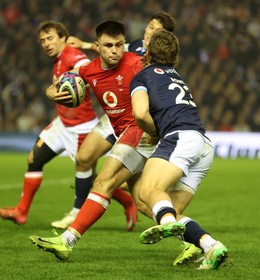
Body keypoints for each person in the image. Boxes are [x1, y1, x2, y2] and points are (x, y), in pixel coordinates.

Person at [28, 20, 187, 263]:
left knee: (103, 182)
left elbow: (164, 84)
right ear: (97, 46)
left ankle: (67, 240)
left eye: (119, 45)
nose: (114, 50)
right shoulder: (88, 71)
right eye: (108, 45)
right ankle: (199, 241)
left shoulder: (138, 64)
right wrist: (51, 92)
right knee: (145, 203)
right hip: (124, 135)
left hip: (140, 132)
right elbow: (69, 78)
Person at [0, 21, 135, 230]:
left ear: (63, 38)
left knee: (90, 175)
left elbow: (82, 65)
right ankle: (21, 211)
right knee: (34, 159)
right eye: (42, 40)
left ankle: (121, 202)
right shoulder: (58, 59)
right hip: (62, 123)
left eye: (50, 38)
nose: (46, 44)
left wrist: (75, 76)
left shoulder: (70, 53)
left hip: (81, 126)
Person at [130, 29, 229, 270]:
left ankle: (166, 223)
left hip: (179, 137)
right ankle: (210, 245)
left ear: (148, 53)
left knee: (148, 190)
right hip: (202, 145)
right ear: (175, 57)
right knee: (166, 207)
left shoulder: (143, 77)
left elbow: (140, 114)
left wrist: (155, 132)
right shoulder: (176, 77)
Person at [67, 11, 176, 56]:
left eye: (158, 31)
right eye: (151, 27)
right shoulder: (137, 44)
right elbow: (112, 49)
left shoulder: (162, 58)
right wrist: (83, 44)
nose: (152, 33)